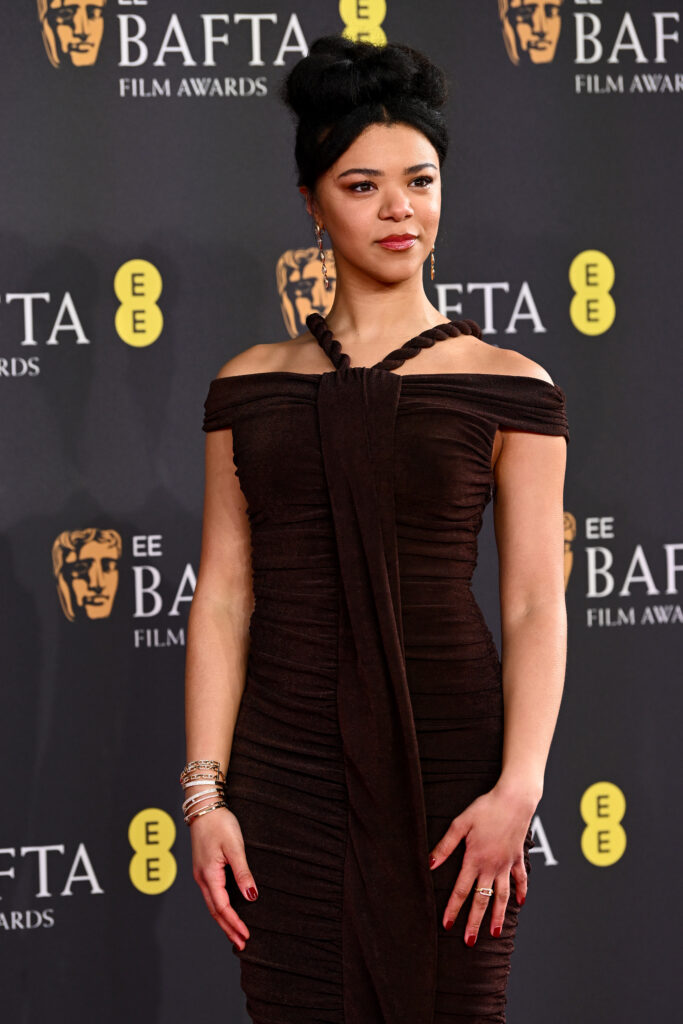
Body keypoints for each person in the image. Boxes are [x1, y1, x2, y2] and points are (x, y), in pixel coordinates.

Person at [183, 34, 569, 1024]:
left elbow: (534, 602)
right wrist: (205, 796)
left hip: (454, 769)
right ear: (311, 203)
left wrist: (518, 789)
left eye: (420, 181)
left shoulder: (511, 384)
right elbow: (223, 596)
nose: (400, 209)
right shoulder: (247, 384)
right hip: (285, 767)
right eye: (362, 185)